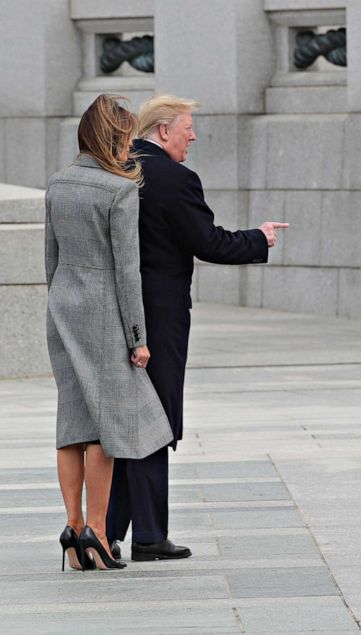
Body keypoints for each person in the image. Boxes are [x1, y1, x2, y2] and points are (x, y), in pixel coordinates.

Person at [105, 95, 288, 561]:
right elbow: (207, 242)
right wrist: (258, 237)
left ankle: (110, 529)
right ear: (163, 130)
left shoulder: (114, 168)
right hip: (159, 317)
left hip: (111, 311)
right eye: (188, 128)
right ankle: (145, 534)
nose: (193, 136)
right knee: (155, 417)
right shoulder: (174, 178)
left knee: (129, 417)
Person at [46, 94, 174, 571]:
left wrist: (59, 309)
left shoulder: (57, 185)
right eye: (124, 139)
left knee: (70, 425)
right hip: (104, 316)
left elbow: (50, 260)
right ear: (111, 139)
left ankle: (72, 527)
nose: (129, 149)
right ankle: (97, 533)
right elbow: (127, 272)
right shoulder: (118, 190)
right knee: (105, 429)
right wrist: (138, 338)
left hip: (63, 310)